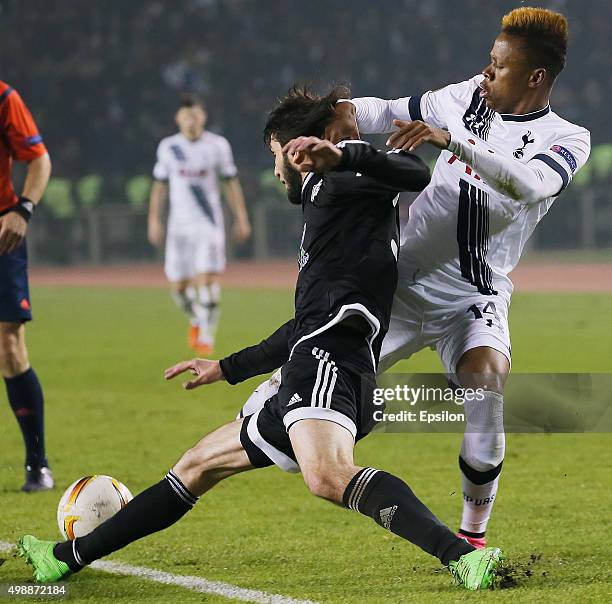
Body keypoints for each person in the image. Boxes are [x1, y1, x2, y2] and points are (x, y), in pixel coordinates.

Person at [18, 86, 502, 591]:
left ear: (299, 150)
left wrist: (339, 154)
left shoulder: (335, 185)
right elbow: (301, 324)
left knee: (329, 477)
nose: (275, 171)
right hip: (316, 356)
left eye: (276, 155)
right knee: (196, 465)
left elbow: (414, 173)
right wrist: (225, 367)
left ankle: (461, 556)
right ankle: (63, 558)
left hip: (329, 360)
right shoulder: (333, 205)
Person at [325, 6, 591, 548]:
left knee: (486, 388)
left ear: (534, 77)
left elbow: (530, 185)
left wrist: (453, 143)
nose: (486, 73)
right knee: (307, 389)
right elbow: (389, 110)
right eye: (488, 63)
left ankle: (472, 539)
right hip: (396, 286)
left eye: (498, 67)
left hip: (473, 295)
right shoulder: (467, 94)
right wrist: (347, 110)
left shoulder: (567, 138)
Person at [148, 94, 251, 356]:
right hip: (178, 228)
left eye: (195, 115)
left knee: (207, 280)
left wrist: (241, 217)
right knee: (180, 289)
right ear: (178, 119)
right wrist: (154, 220)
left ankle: (206, 335)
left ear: (203, 117)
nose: (191, 120)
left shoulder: (217, 146)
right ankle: (196, 320)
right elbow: (159, 187)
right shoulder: (168, 147)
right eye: (186, 116)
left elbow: (230, 182)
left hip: (208, 223)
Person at [0, 81, 53, 492]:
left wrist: (24, 209)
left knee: (10, 346)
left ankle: (38, 464)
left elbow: (38, 160)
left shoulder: (3, 97)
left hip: (3, 231)